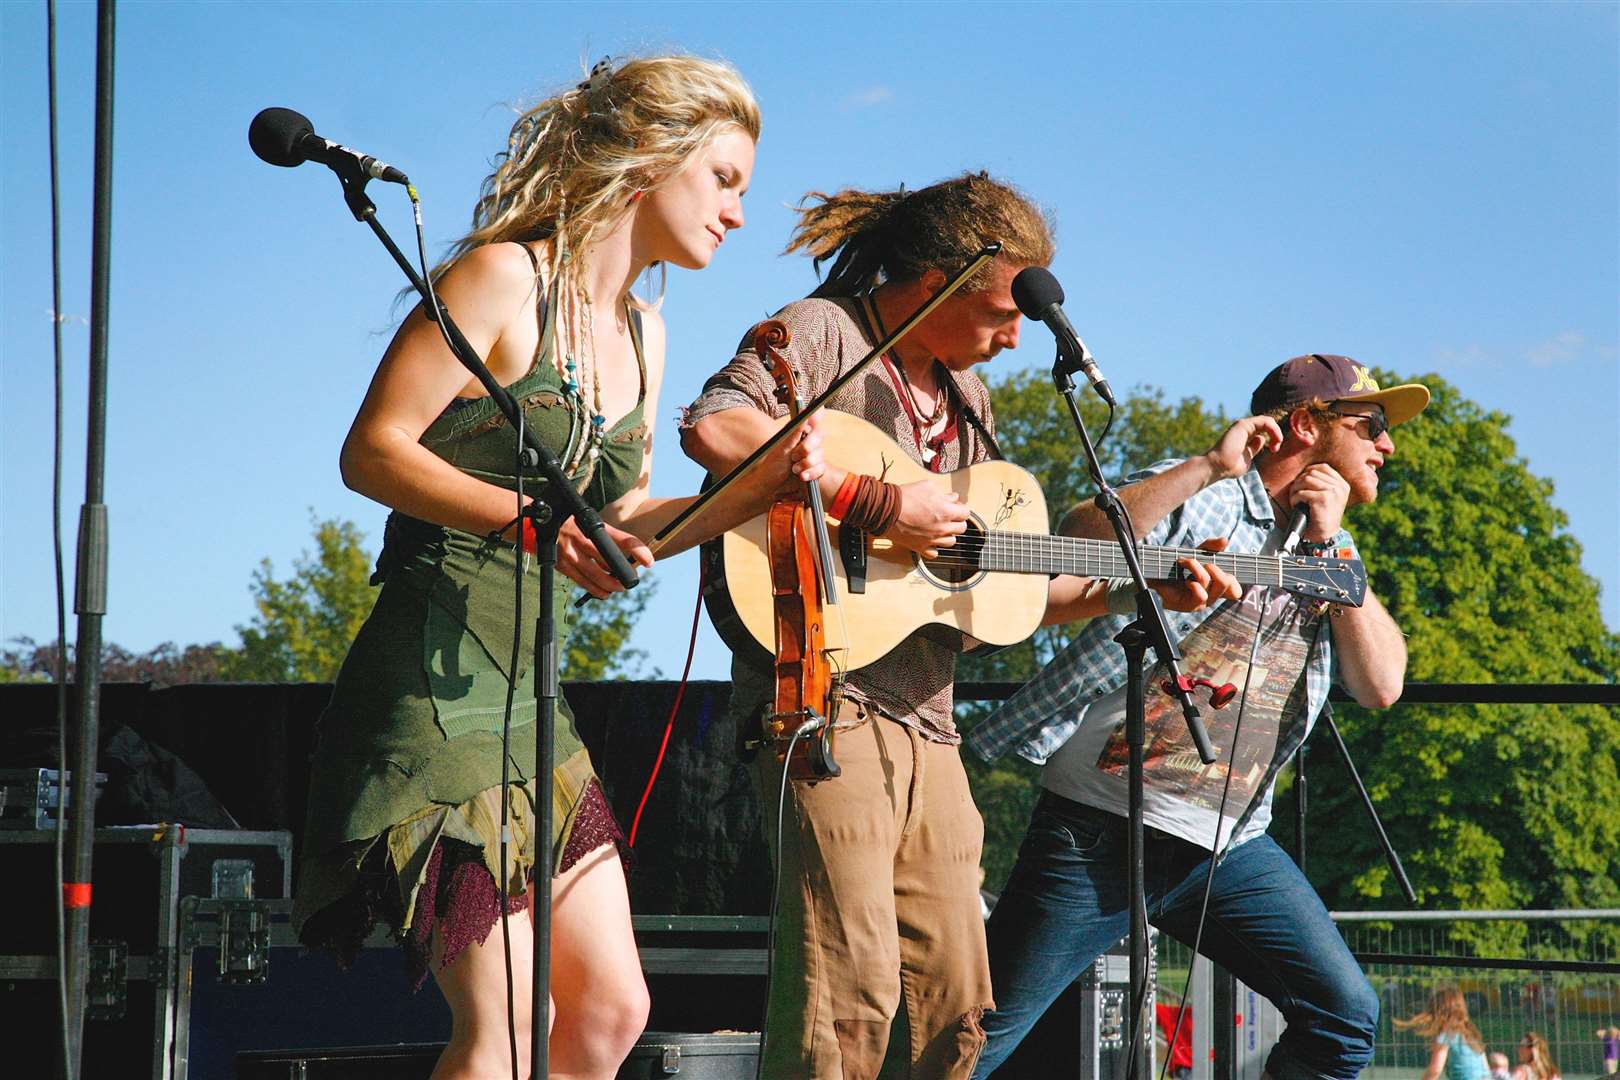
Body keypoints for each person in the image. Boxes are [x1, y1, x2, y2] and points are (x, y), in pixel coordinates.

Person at [288, 56, 820, 1080]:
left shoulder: (645, 332)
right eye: (725, 179)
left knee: (612, 1011)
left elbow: (621, 518)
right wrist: (532, 524)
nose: (740, 213)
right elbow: (372, 452)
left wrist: (762, 485)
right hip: (431, 688)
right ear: (648, 161)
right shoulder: (501, 277)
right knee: (503, 1033)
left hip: (535, 706)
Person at [680, 172, 1236, 1080]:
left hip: (931, 728)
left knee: (954, 997)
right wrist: (875, 500)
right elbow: (716, 427)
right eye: (997, 311)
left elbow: (1006, 591)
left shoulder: (971, 402)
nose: (1014, 335)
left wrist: (1143, 590)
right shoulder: (829, 333)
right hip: (825, 700)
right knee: (847, 991)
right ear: (938, 278)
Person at [966, 352, 1429, 1080]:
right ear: (1306, 424)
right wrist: (1207, 465)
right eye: (1370, 424)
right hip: (1104, 829)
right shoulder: (1210, 496)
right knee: (978, 1041)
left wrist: (1334, 545)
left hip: (1231, 845)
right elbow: (1079, 539)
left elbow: (1382, 686)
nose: (1388, 444)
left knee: (1344, 1017)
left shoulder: (1330, 544)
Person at [1395, 987, 1489, 1080]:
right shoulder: (1470, 1033)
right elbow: (1485, 1068)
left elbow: (1435, 1070)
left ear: (1439, 1013)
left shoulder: (1447, 1035)